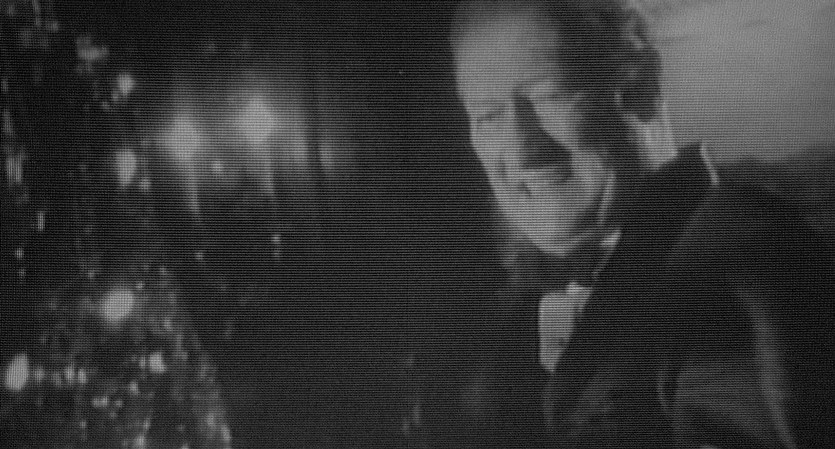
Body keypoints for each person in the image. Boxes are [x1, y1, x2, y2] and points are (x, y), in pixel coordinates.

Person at [440, 1, 835, 447]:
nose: (520, 152)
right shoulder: (519, 306)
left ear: (641, 87)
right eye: (487, 115)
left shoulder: (742, 271)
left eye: (551, 96)